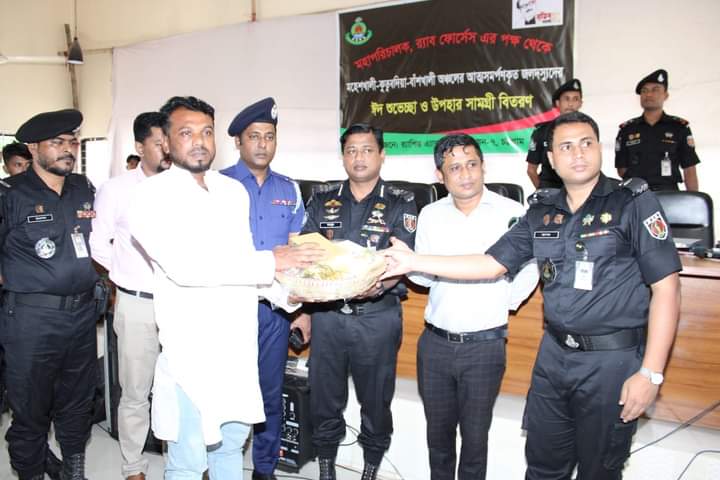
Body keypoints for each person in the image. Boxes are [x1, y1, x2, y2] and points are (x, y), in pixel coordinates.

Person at [384, 111, 681, 479]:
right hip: (553, 358)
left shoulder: (632, 202)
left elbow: (667, 288)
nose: (577, 154)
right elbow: (491, 263)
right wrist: (413, 261)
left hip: (612, 361)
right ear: (551, 159)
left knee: (599, 470)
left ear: (600, 149)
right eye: (566, 147)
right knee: (542, 467)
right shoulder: (542, 211)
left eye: (586, 143)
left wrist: (651, 373)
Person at [128, 96, 322, 480]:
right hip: (192, 357)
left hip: (238, 351)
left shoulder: (231, 192)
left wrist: (289, 296)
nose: (199, 141)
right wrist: (273, 260)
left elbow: (242, 264)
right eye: (186, 132)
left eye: (206, 132)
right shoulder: (151, 196)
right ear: (166, 142)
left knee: (230, 449)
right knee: (188, 461)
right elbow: (187, 267)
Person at [409, 133, 538, 480]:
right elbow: (422, 279)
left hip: (484, 346)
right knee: (438, 438)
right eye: (454, 168)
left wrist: (503, 301)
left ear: (483, 167)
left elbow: (531, 268)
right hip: (435, 344)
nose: (465, 174)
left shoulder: (512, 212)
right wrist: (412, 264)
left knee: (475, 440)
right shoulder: (430, 214)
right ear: (440, 175)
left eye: (472, 165)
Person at [301, 123, 417, 480]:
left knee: (376, 399)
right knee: (324, 396)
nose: (359, 157)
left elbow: (403, 257)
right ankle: (326, 467)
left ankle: (370, 468)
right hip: (329, 316)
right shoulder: (323, 198)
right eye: (351, 150)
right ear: (343, 157)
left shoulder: (401, 200)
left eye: (367, 149)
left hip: (377, 316)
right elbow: (307, 251)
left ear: (382, 155)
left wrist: (377, 286)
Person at [0, 109, 103, 480]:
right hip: (32, 320)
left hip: (81, 316)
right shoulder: (10, 194)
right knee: (31, 409)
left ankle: (73, 471)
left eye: (72, 142)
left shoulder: (83, 188)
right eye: (57, 142)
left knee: (78, 403)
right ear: (33, 148)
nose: (68, 149)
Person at [221, 97, 309, 480]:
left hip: (274, 312)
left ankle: (264, 468)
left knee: (270, 394)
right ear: (238, 141)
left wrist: (302, 310)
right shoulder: (217, 186)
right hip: (227, 308)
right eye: (254, 136)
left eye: (269, 136)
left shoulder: (289, 189)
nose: (262, 144)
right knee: (224, 392)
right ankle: (220, 464)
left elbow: (298, 253)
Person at [89, 111, 171, 480]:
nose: (167, 149)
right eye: (158, 143)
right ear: (140, 146)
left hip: (181, 303)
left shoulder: (183, 187)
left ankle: (179, 460)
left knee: (179, 388)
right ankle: (133, 465)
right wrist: (125, 272)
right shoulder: (116, 190)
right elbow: (98, 244)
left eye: (169, 141)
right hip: (137, 303)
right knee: (136, 390)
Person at [615, 69, 700, 191]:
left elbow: (689, 169)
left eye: (655, 90)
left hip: (668, 193)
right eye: (644, 91)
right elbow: (621, 169)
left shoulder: (679, 128)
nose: (649, 94)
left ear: (666, 95)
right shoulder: (627, 129)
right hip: (636, 193)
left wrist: (694, 200)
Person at [526, 78, 583, 189]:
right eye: (566, 99)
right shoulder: (542, 131)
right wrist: (543, 192)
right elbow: (531, 170)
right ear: (558, 103)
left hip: (579, 190)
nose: (570, 104)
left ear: (580, 103)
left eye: (575, 99)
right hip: (552, 191)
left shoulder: (588, 131)